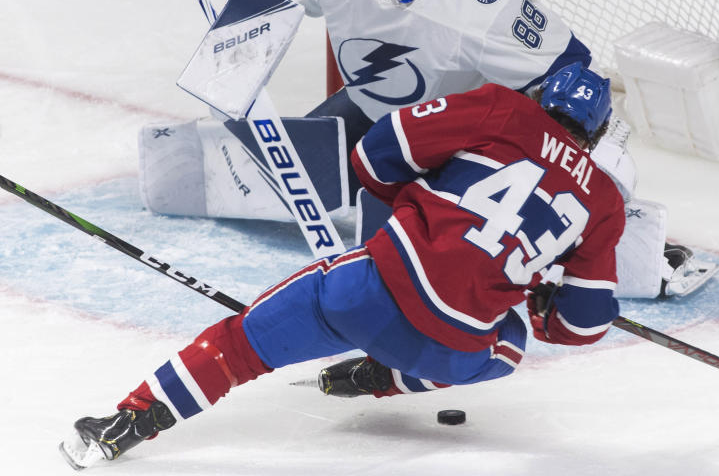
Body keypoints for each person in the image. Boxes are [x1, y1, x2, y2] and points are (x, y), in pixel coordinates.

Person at [138, 0, 712, 300]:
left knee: (444, 226)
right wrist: (239, 48)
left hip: (455, 131)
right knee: (318, 171)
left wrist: (580, 172)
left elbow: (572, 71)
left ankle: (573, 229)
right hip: (373, 110)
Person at [61, 65, 625, 470]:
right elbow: (582, 326)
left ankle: (131, 422)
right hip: (451, 349)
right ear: (595, 135)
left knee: (240, 346)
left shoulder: (505, 107)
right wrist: (542, 302)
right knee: (511, 345)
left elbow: (376, 151)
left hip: (365, 293)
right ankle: (381, 376)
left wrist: (415, 199)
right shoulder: (604, 201)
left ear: (542, 96)